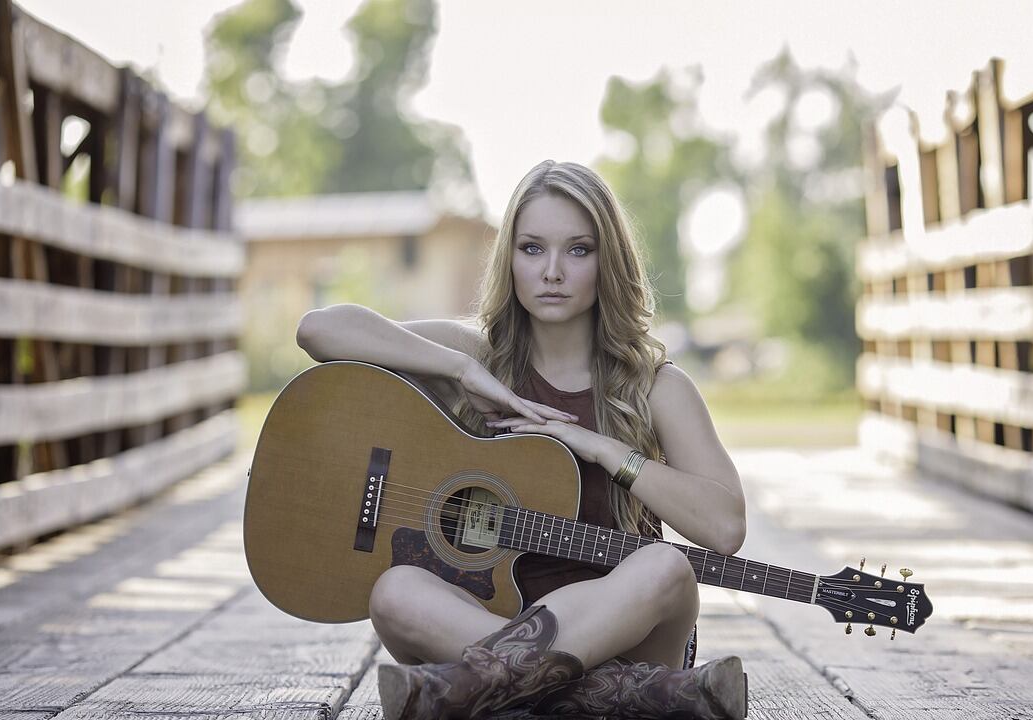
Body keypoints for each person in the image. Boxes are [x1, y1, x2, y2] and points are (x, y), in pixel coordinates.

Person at [295, 160, 747, 719]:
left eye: (578, 250)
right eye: (532, 248)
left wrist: (605, 449)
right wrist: (460, 370)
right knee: (394, 592)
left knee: (666, 567)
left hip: (632, 638)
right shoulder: (479, 359)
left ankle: (480, 688)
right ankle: (625, 698)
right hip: (491, 622)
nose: (552, 271)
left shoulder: (655, 386)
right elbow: (318, 330)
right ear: (508, 257)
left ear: (608, 261)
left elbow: (725, 528)